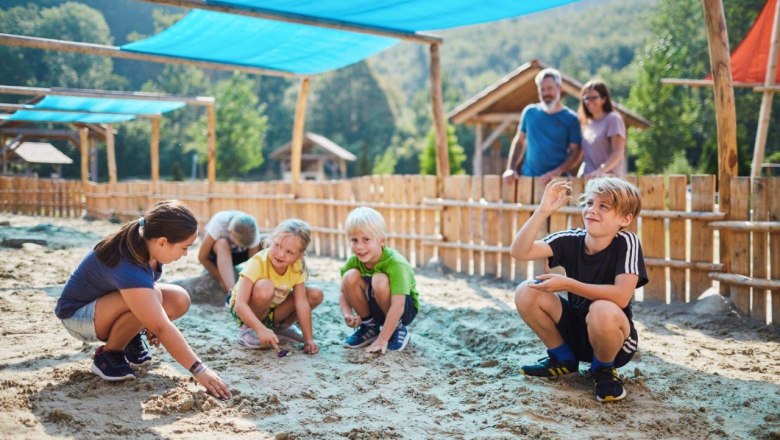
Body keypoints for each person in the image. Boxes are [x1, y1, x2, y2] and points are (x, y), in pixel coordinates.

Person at [55, 200, 232, 399]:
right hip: (78, 317)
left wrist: (148, 322)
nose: (186, 254)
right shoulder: (129, 261)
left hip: (104, 306)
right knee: (154, 296)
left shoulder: (149, 249)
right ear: (163, 242)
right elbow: (162, 326)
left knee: (179, 298)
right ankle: (108, 355)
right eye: (184, 247)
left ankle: (128, 337)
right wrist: (200, 370)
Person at [510, 178, 647, 402]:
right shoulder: (571, 239)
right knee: (527, 290)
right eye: (590, 203)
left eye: (603, 206)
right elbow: (519, 251)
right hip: (575, 332)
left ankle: (603, 370)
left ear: (625, 218)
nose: (592, 210)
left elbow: (622, 297)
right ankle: (563, 359)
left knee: (602, 308)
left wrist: (568, 284)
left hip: (615, 341)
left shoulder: (627, 243)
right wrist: (543, 211)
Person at [228, 219, 323, 354]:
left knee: (315, 294)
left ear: (301, 255)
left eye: (289, 252)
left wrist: (309, 339)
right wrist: (261, 330)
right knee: (265, 287)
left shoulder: (297, 266)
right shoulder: (258, 262)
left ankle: (281, 327)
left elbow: (301, 303)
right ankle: (248, 329)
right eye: (277, 245)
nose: (281, 254)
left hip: (273, 311)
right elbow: (240, 305)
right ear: (271, 240)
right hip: (245, 311)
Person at [339, 207, 419, 353]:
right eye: (354, 240)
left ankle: (398, 330)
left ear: (381, 240)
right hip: (376, 308)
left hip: (402, 309)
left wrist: (382, 339)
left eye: (366, 240)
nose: (359, 246)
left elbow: (398, 305)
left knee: (379, 280)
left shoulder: (396, 264)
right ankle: (370, 327)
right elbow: (343, 292)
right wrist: (348, 313)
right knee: (349, 276)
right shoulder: (354, 261)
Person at [502, 67, 582, 185]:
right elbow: (519, 141)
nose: (546, 93)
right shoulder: (529, 112)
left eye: (549, 88)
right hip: (529, 179)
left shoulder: (571, 118)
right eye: (542, 89)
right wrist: (511, 168)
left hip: (558, 182)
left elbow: (576, 152)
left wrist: (558, 171)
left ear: (559, 88)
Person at [198, 210, 263, 299]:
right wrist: (220, 277)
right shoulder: (219, 223)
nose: (237, 246)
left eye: (241, 246)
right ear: (229, 232)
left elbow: (253, 261)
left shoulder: (252, 231)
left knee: (266, 241)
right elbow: (202, 257)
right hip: (216, 256)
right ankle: (232, 294)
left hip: (236, 258)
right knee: (222, 243)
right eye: (235, 243)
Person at [578, 80, 627, 177]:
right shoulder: (586, 124)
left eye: (594, 97)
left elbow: (618, 152)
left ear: (603, 99)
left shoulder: (613, 119)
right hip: (589, 181)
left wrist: (601, 170)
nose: (590, 101)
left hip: (609, 182)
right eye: (587, 98)